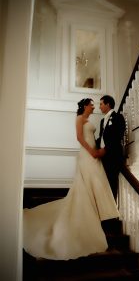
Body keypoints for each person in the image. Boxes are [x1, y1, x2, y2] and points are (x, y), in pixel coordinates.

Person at [23, 98, 119, 261]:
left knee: (95, 182)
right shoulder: (79, 119)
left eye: (96, 104)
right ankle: (88, 213)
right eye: (91, 104)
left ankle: (98, 211)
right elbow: (79, 138)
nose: (94, 106)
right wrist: (92, 152)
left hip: (94, 154)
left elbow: (95, 138)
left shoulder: (91, 120)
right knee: (88, 182)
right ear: (85, 106)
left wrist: (99, 150)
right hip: (86, 154)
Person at [96, 95, 125, 201]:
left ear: (108, 104)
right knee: (103, 184)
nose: (99, 107)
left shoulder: (118, 117)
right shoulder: (101, 121)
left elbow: (118, 136)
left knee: (112, 184)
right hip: (103, 157)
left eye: (101, 104)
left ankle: (112, 213)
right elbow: (101, 138)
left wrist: (106, 148)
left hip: (113, 157)